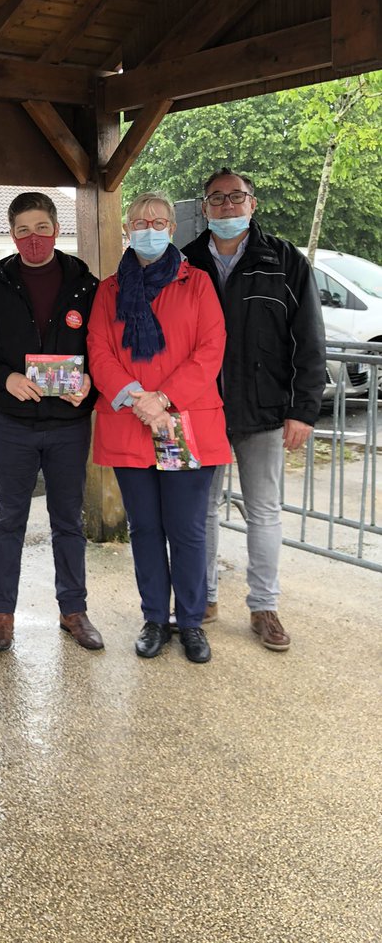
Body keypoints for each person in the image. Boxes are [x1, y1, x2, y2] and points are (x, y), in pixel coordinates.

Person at [183, 167, 325, 651]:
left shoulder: (284, 261)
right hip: (199, 412)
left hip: (264, 412)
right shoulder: (185, 263)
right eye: (216, 199)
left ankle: (264, 606)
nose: (226, 207)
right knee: (199, 511)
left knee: (263, 511)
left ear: (253, 203)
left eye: (235, 197)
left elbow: (309, 340)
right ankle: (202, 599)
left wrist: (303, 409)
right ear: (204, 208)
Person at [87, 192, 230, 664]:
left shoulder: (198, 284)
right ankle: (154, 618)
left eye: (159, 220)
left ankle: (190, 622)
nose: (149, 228)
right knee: (145, 529)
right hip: (131, 424)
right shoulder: (109, 291)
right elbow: (99, 351)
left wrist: (162, 399)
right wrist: (136, 397)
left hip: (179, 423)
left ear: (172, 227)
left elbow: (210, 349)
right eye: (140, 221)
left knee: (186, 530)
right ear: (127, 230)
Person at [0, 191, 102, 653]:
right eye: (23, 230)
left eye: (41, 228)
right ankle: (1, 613)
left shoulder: (88, 286)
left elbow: (105, 353)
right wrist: (7, 378)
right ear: (12, 235)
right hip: (15, 426)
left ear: (56, 229)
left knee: (68, 520)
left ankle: (73, 611)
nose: (34, 239)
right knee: (8, 520)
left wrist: (93, 386)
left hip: (69, 425)